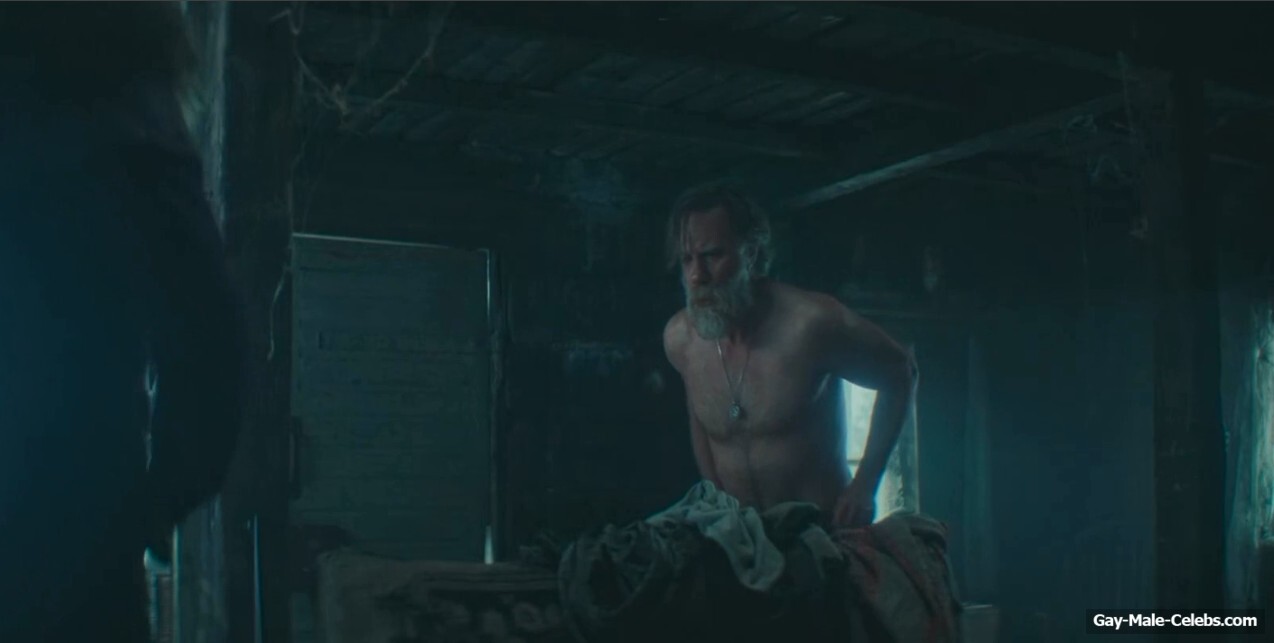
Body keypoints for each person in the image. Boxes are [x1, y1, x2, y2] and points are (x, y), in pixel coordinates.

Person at [0, 4, 245, 641]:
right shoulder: (128, 116)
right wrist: (159, 501)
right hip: (71, 523)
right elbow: (210, 340)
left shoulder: (123, 117)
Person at [661, 181, 918, 529]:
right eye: (687, 259)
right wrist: (715, 498)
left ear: (750, 254)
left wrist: (865, 485)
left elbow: (901, 371)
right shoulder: (681, 339)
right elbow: (701, 417)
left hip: (820, 530)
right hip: (740, 535)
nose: (696, 275)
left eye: (712, 256)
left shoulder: (811, 323)